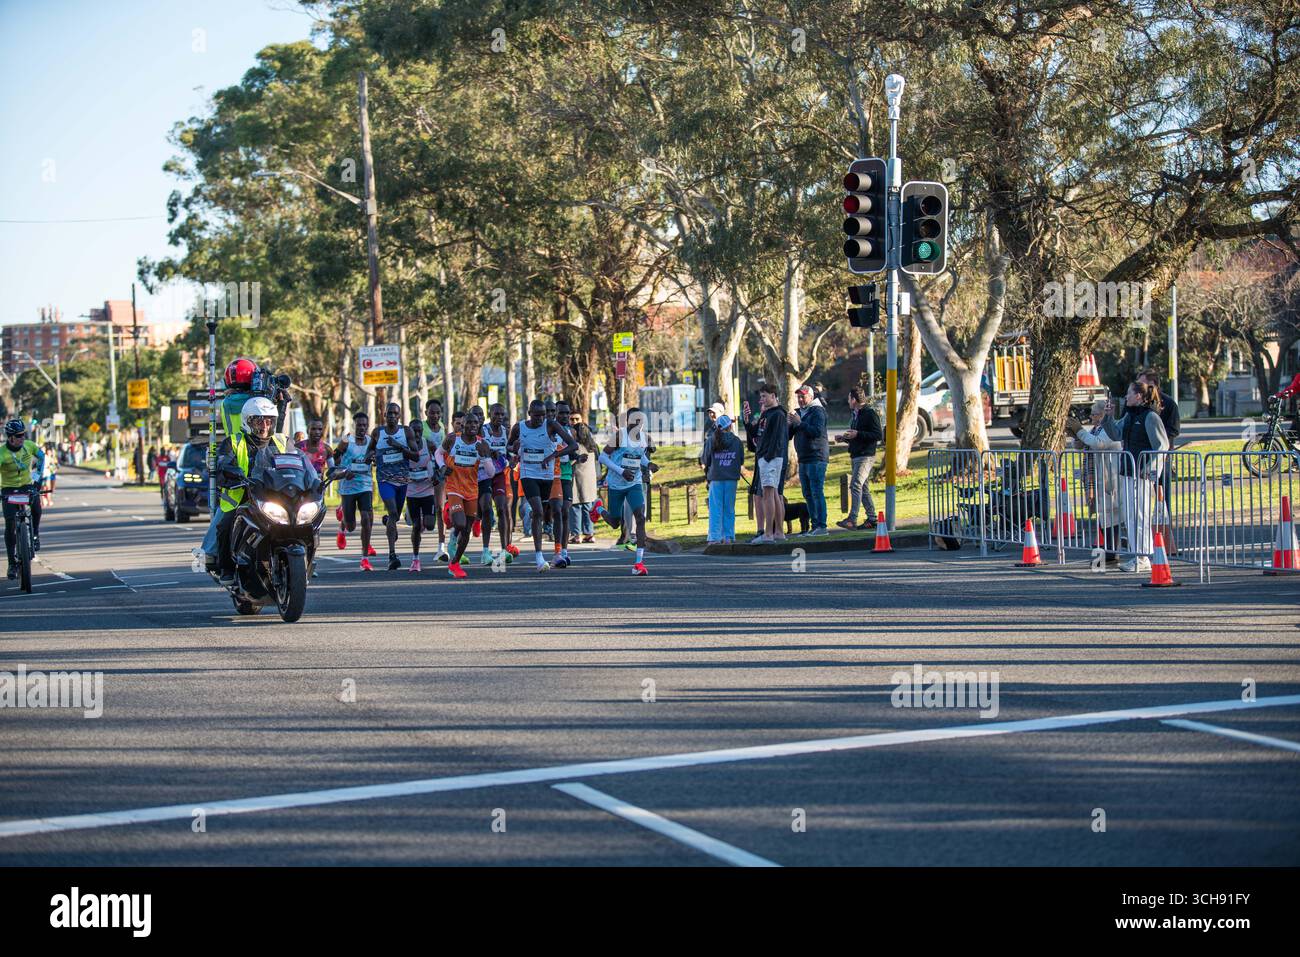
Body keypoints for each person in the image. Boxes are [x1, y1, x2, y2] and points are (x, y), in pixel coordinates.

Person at [213, 397, 289, 585]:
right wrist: (231, 472)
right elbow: (222, 463)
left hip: (274, 497)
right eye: (259, 421)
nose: (264, 426)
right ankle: (227, 569)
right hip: (242, 499)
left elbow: (299, 462)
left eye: (269, 421)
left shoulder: (282, 441)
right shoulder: (233, 442)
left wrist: (311, 478)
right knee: (224, 526)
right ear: (248, 422)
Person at [1101, 381, 1169, 573]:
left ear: (1139, 396)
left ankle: (1144, 556)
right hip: (1127, 474)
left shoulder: (1150, 417)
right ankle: (1139, 555)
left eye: (1129, 393)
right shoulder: (1130, 416)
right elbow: (1115, 434)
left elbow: (1162, 446)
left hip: (1141, 476)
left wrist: (1150, 469)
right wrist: (1108, 416)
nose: (1125, 397)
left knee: (1140, 516)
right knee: (1131, 517)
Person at [508, 399, 578, 572]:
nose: (540, 419)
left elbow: (573, 445)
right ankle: (539, 557)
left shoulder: (551, 425)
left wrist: (554, 454)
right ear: (529, 413)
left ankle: (558, 551)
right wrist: (514, 448)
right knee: (539, 511)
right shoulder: (519, 427)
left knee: (553, 511)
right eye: (537, 415)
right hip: (528, 473)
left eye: (543, 415)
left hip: (549, 476)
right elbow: (508, 445)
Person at [591, 409, 652, 575]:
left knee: (640, 516)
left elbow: (641, 457)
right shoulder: (620, 436)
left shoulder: (643, 438)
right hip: (616, 484)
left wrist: (649, 464)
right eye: (635, 420)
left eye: (641, 420)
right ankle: (598, 508)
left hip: (634, 482)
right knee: (615, 522)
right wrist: (620, 471)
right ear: (628, 421)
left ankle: (638, 564)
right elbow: (602, 457)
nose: (638, 424)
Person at [439, 413, 496, 579]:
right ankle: (450, 512)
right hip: (454, 487)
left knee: (466, 529)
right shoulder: (452, 439)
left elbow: (491, 473)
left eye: (475, 423)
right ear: (462, 425)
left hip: (471, 490)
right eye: (469, 422)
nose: (472, 425)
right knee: (460, 523)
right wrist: (443, 466)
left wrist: (485, 457)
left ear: (479, 425)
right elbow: (437, 454)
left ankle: (455, 563)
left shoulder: (482, 444)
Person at [1065, 398, 1122, 564]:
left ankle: (1113, 551)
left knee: (1113, 514)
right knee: (1104, 515)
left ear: (1103, 414)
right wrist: (1076, 435)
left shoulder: (1110, 430)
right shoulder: (1096, 428)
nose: (1091, 417)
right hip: (1098, 476)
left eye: (1094, 414)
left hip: (1109, 476)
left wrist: (1080, 430)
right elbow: (1081, 445)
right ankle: (1110, 550)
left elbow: (1098, 444)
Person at [369, 402, 421, 570]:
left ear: (399, 416)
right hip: (385, 480)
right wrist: (370, 457)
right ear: (385, 415)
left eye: (395, 413)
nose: (392, 416)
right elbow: (369, 451)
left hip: (402, 480)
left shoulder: (406, 432)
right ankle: (392, 555)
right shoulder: (378, 432)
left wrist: (399, 446)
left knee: (395, 517)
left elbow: (416, 456)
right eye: (389, 413)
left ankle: (389, 522)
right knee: (392, 512)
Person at [334, 411, 376, 571]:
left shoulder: (371, 441)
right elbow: (335, 459)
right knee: (351, 526)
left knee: (366, 518)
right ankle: (343, 524)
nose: (362, 428)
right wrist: (344, 472)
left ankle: (364, 558)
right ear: (354, 425)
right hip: (348, 487)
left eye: (364, 425)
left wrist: (374, 459)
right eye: (359, 425)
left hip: (365, 484)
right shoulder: (346, 441)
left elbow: (375, 457)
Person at [2, 419, 45, 578]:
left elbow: (41, 457)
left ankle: (35, 534)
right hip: (8, 489)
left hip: (26, 486)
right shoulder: (2, 454)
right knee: (10, 524)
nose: (22, 438)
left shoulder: (29, 446)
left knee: (36, 506)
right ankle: (12, 564)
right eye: (19, 436)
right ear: (10, 437)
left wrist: (38, 478)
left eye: (23, 435)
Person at [836, 386, 883, 529]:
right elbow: (857, 435)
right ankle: (872, 518)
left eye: (849, 399)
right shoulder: (855, 414)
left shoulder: (869, 413)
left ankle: (852, 518)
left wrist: (858, 434)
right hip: (856, 455)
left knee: (855, 485)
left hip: (865, 456)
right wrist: (844, 438)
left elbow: (878, 435)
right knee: (863, 487)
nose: (848, 401)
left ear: (854, 400)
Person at [750, 382, 788, 543]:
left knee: (768, 494)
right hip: (766, 457)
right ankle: (778, 533)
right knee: (773, 494)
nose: (762, 399)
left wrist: (767, 456)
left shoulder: (778, 414)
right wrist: (749, 422)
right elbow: (757, 434)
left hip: (771, 458)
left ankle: (769, 533)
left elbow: (777, 438)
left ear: (773, 396)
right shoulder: (767, 414)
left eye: (765, 396)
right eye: (761, 396)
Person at [789, 384, 828, 535]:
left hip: (816, 457)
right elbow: (789, 435)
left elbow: (816, 432)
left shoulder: (818, 411)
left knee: (816, 491)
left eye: (803, 396)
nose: (800, 399)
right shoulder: (799, 412)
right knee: (807, 493)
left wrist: (800, 423)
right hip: (803, 458)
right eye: (798, 396)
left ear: (811, 397)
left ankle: (822, 526)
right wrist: (789, 425)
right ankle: (814, 525)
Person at [480, 403, 516, 564]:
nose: (499, 417)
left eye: (502, 414)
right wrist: (490, 452)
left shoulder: (506, 432)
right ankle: (486, 551)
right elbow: (479, 447)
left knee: (502, 508)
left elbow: (509, 452)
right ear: (490, 414)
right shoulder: (483, 430)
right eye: (496, 414)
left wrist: (512, 459)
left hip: (500, 474)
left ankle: (504, 549)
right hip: (484, 474)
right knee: (487, 509)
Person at [703, 415, 743, 544]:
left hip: (716, 477)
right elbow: (741, 460)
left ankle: (714, 537)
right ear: (730, 426)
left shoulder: (711, 440)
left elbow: (705, 460)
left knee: (715, 508)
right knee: (729, 508)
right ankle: (728, 536)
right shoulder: (737, 441)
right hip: (731, 477)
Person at [570, 408, 599, 543]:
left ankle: (577, 535)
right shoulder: (592, 445)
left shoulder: (576, 446)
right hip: (590, 481)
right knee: (588, 506)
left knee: (576, 506)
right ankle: (589, 533)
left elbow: (570, 461)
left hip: (577, 479)